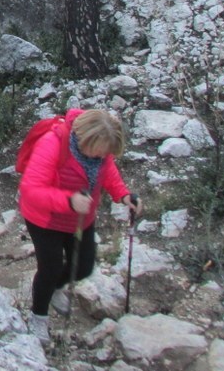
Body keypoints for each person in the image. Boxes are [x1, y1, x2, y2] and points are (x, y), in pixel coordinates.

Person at [18, 108, 142, 344]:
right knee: (50, 267)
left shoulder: (100, 153)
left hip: (81, 217)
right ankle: (39, 316)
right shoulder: (53, 143)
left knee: (84, 266)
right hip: (44, 219)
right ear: (86, 140)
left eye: (104, 155)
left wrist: (123, 195)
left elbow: (109, 172)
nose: (101, 157)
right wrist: (69, 201)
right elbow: (31, 189)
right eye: (98, 153)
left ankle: (55, 288)